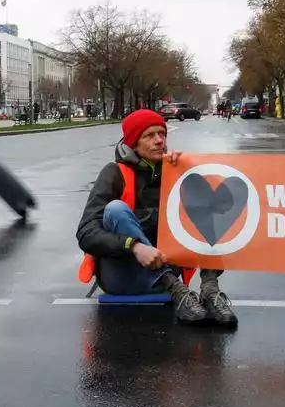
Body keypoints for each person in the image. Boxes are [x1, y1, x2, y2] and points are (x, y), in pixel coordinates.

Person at [76, 109, 235, 326]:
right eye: (149, 135)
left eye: (162, 134)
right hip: (122, 275)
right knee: (115, 209)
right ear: (134, 143)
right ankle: (176, 290)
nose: (159, 140)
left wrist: (187, 172)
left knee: (199, 198)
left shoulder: (174, 170)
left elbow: (219, 208)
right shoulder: (113, 173)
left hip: (166, 269)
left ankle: (209, 289)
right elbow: (86, 233)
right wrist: (134, 246)